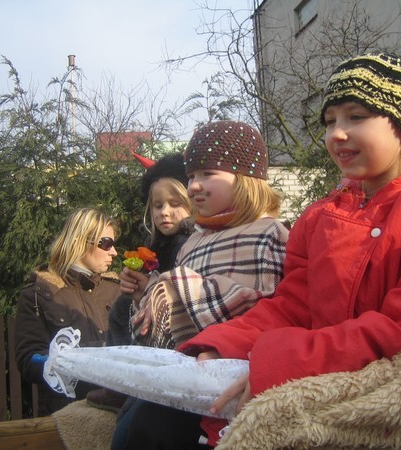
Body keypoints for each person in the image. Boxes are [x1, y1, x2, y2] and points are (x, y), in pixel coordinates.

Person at [178, 52, 401, 448]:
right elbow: (292, 307)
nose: (337, 134)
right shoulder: (319, 216)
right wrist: (219, 344)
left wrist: (280, 363)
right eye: (329, 121)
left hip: (399, 418)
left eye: (356, 117)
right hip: (322, 389)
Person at [111, 120, 290, 450]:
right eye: (191, 175)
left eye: (208, 173)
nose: (194, 185)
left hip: (234, 377)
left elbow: (268, 305)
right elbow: (173, 315)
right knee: (131, 433)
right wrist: (148, 297)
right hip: (184, 370)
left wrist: (176, 285)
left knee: (156, 431)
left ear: (247, 179)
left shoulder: (270, 234)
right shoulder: (192, 242)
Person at [87, 151, 194, 412]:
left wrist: (149, 288)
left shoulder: (188, 241)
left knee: (122, 310)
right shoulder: (159, 243)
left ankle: (122, 386)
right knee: (122, 307)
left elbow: (182, 286)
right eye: (158, 206)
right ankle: (121, 384)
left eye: (175, 204)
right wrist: (134, 285)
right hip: (153, 314)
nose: (165, 212)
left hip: (179, 327)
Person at [15, 207, 121, 416]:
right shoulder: (40, 293)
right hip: (66, 414)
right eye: (106, 243)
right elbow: (28, 358)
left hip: (115, 412)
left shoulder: (116, 290)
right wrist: (76, 363)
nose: (114, 252)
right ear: (79, 242)